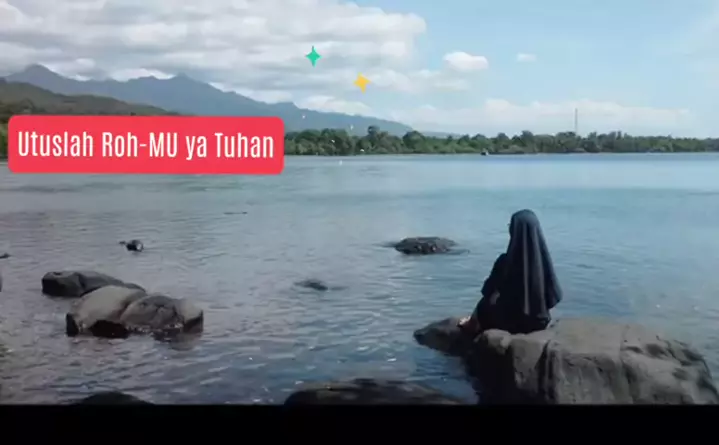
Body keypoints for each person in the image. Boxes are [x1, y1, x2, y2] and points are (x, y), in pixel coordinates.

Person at [458, 209, 563, 335]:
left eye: (510, 225)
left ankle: (471, 324)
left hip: (512, 323)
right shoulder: (543, 262)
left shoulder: (505, 262)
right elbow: (555, 295)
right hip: (540, 322)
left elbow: (487, 292)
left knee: (484, 304)